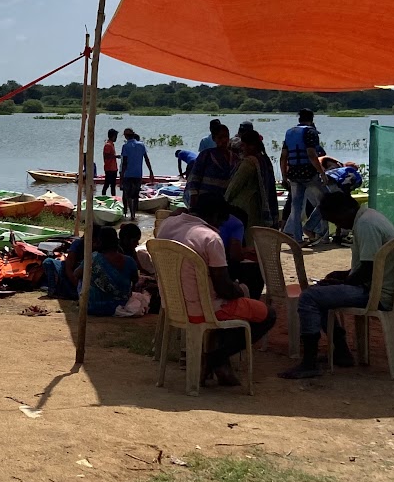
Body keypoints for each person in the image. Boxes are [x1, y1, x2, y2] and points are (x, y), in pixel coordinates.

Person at [154, 193, 275, 386]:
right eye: (221, 222)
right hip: (204, 309)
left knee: (235, 305)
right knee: (267, 314)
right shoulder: (210, 238)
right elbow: (224, 288)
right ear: (215, 216)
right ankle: (214, 358)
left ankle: (218, 363)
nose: (220, 227)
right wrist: (239, 289)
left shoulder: (167, 225)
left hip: (172, 303)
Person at [279, 190, 394, 379]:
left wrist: (344, 281)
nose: (338, 225)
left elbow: (369, 269)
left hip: (376, 292)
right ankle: (341, 351)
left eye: (335, 220)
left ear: (343, 211)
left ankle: (309, 362)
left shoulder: (366, 225)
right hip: (379, 286)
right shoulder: (370, 217)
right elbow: (369, 265)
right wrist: (342, 276)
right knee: (322, 294)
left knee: (309, 297)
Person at [280, 108, 328, 246]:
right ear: (312, 119)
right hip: (309, 173)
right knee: (327, 200)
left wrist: (284, 176)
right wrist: (322, 173)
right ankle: (309, 226)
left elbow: (283, 157)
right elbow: (312, 154)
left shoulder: (289, 132)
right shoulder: (310, 132)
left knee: (296, 206)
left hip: (293, 174)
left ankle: (298, 239)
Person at [224, 128, 274, 227]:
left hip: (246, 207)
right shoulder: (264, 160)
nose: (241, 148)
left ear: (251, 146)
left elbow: (235, 185)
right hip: (260, 206)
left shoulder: (249, 163)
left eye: (243, 145)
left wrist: (224, 202)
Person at [85, 224, 138, 316]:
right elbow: (135, 279)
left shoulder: (93, 258)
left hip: (94, 307)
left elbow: (76, 274)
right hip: (120, 305)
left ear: (100, 241)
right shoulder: (129, 260)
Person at [185, 122, 235, 205]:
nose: (224, 140)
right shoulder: (206, 155)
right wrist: (194, 199)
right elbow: (193, 178)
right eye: (220, 137)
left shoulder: (234, 157)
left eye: (226, 136)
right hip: (205, 201)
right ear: (214, 138)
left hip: (224, 201)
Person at [118, 128, 151, 218]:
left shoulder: (125, 146)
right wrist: (151, 171)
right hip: (138, 174)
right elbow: (146, 159)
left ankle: (131, 214)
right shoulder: (141, 145)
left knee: (128, 195)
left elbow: (124, 163)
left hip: (128, 174)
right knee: (135, 195)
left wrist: (121, 176)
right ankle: (135, 213)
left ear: (126, 136)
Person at [100, 129, 119, 197]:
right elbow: (106, 156)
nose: (116, 138)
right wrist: (115, 156)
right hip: (109, 168)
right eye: (115, 136)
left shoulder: (111, 144)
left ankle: (113, 198)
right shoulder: (108, 145)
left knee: (113, 185)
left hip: (113, 168)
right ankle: (103, 197)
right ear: (112, 136)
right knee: (107, 184)